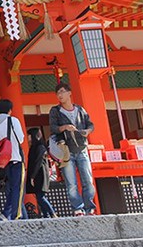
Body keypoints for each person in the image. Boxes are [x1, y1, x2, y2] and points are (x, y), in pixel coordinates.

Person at [49, 82, 97, 216]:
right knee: (71, 183)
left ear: (70, 93)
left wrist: (87, 131)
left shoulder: (80, 110)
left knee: (88, 179)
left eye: (62, 91)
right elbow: (52, 128)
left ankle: (90, 207)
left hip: (82, 148)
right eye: (58, 93)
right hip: (66, 150)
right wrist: (64, 127)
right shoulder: (55, 111)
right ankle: (78, 208)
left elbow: (90, 124)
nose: (60, 95)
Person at [26, 128, 57, 219]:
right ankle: (46, 215)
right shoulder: (34, 147)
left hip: (40, 174)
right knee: (39, 196)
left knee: (40, 196)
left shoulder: (40, 147)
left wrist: (32, 176)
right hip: (37, 174)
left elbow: (37, 162)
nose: (28, 137)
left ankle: (52, 213)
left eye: (29, 135)